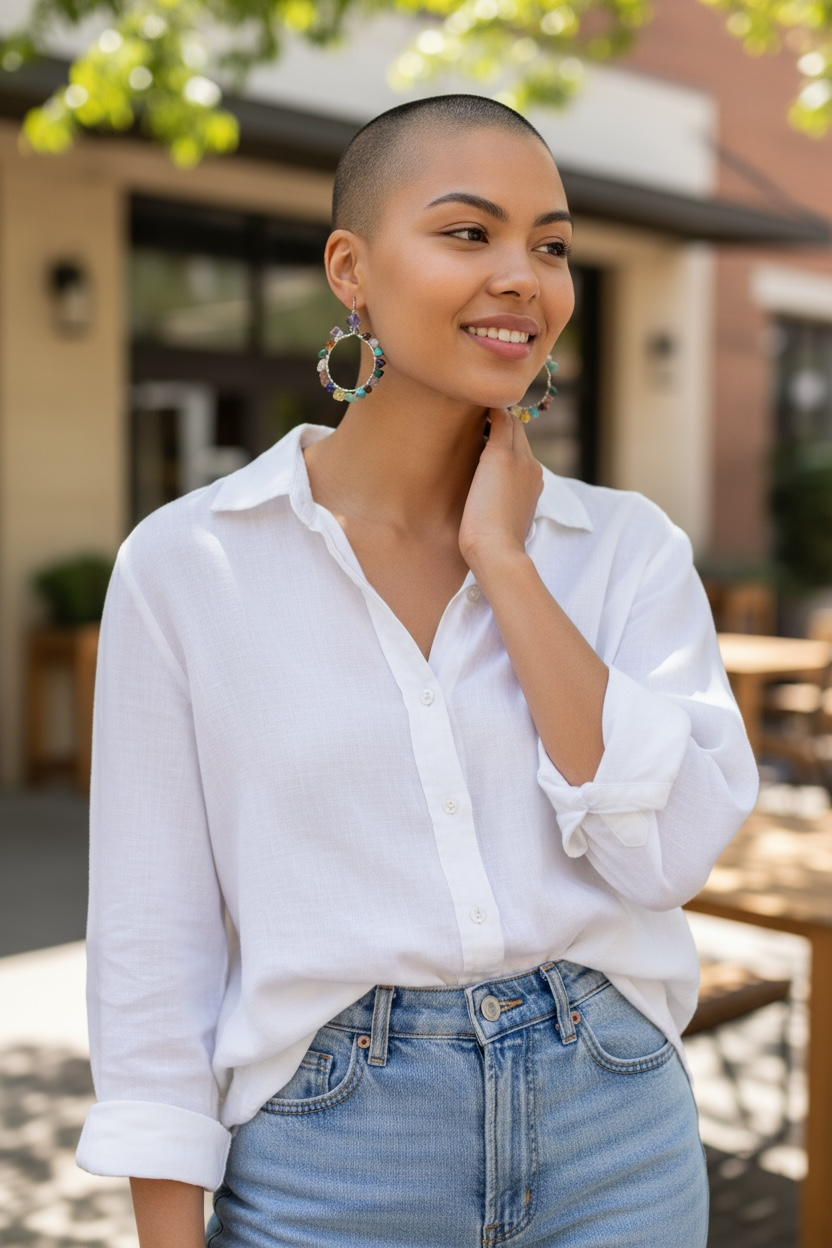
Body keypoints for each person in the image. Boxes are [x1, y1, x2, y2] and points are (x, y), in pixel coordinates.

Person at [75, 94, 758, 1247]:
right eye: (467, 232)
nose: (522, 276)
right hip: (332, 1155)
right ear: (351, 268)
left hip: (614, 1131)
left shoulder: (623, 549)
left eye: (551, 246)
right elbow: (154, 943)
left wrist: (507, 564)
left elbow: (664, 856)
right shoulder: (188, 565)